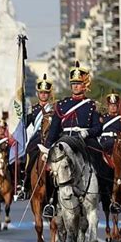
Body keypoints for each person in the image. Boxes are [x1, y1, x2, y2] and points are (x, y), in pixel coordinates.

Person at [43, 61, 104, 217]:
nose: (76, 86)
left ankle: (106, 195)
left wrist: (87, 133)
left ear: (85, 85)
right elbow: (54, 130)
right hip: (65, 140)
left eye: (79, 83)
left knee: (100, 158)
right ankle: (51, 202)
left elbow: (98, 128)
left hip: (84, 139)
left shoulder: (92, 105)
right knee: (51, 169)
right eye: (73, 83)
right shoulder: (62, 104)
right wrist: (48, 147)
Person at [17, 74, 54, 200]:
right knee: (28, 154)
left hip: (51, 137)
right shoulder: (32, 110)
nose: (43, 95)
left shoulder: (54, 109)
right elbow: (24, 125)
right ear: (38, 93)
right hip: (38, 137)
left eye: (46, 93)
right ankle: (25, 184)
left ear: (49, 94)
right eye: (41, 92)